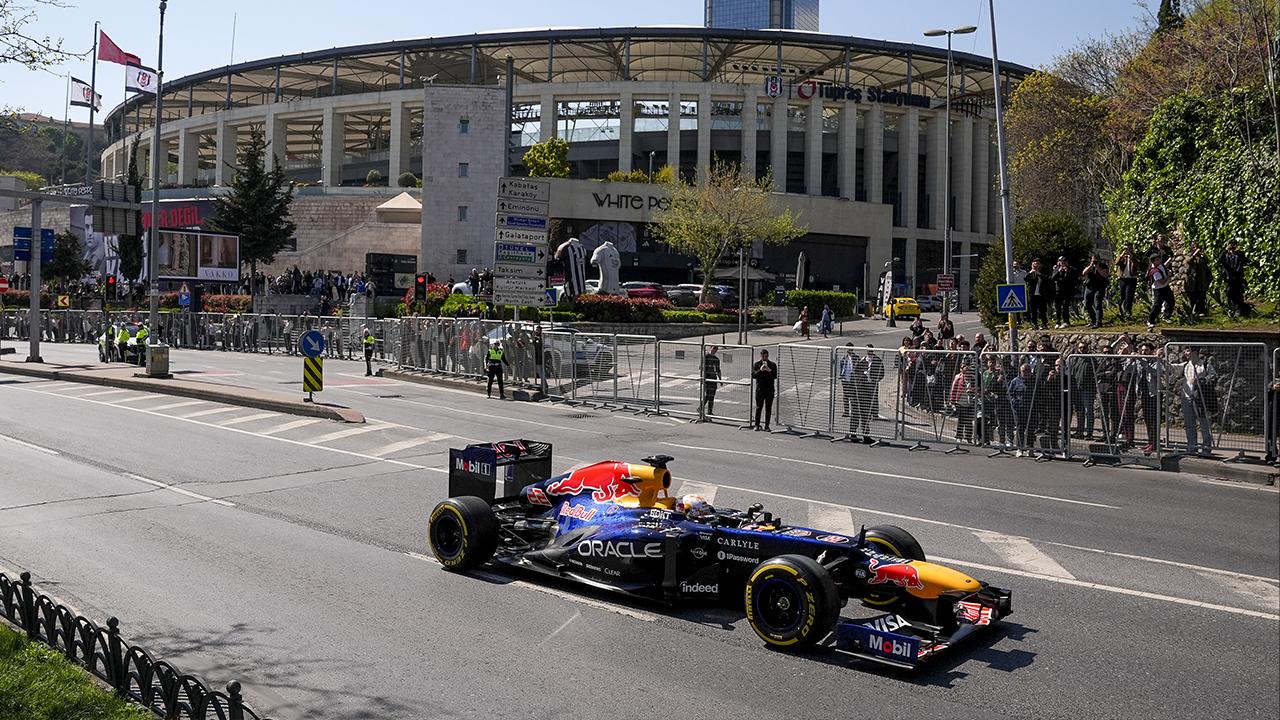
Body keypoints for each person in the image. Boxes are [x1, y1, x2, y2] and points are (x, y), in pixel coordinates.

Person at [1171, 347, 1215, 455]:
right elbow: (1172, 368)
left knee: (1204, 423)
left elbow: (1213, 377)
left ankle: (1206, 448)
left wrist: (1200, 381)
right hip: (1187, 398)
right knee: (1189, 424)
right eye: (1185, 351)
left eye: (1188, 351)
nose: (1185, 353)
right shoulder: (1186, 365)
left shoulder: (1204, 365)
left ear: (1194, 352)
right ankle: (1192, 446)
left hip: (1200, 398)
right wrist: (1161, 359)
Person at [1069, 341, 1096, 439]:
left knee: (1088, 411)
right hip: (1076, 389)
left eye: (1084, 348)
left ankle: (1089, 433)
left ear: (1087, 348)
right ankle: (1079, 431)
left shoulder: (1091, 360)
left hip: (1087, 390)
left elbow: (1095, 374)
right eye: (1080, 348)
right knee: (1079, 411)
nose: (1082, 349)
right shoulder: (1074, 359)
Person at [1218, 240, 1248, 316]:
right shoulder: (1225, 255)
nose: (1232, 247)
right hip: (1228, 278)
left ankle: (1239, 310)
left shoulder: (1239, 254)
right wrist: (1225, 250)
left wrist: (1239, 251)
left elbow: (1245, 261)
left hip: (1237, 277)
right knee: (1229, 294)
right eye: (1230, 245)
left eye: (1233, 245)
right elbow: (1218, 261)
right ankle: (1232, 309)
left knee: (1238, 294)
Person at [1146, 253, 1175, 331]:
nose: (1160, 261)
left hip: (1165, 287)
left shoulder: (1160, 265)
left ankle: (1166, 316)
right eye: (1157, 260)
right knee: (1157, 305)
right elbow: (1162, 282)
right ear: (1153, 262)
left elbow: (1164, 266)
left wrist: (1170, 259)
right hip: (1158, 289)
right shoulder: (1154, 271)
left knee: (1171, 301)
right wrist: (1169, 275)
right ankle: (1150, 320)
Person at [751, 348, 777, 431]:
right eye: (763, 356)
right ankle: (757, 425)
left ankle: (767, 426)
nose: (764, 358)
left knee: (768, 408)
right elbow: (753, 375)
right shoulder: (757, 364)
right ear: (761, 356)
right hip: (760, 389)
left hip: (769, 389)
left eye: (766, 356)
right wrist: (760, 370)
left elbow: (775, 376)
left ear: (768, 356)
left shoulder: (772, 364)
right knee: (759, 407)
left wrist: (769, 370)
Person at [1183, 244, 1211, 318]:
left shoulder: (1201, 257)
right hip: (1192, 281)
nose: (1197, 249)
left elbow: (1208, 262)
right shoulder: (1189, 255)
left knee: (1201, 296)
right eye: (1195, 247)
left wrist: (1203, 255)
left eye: (1198, 247)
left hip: (1201, 280)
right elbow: (1188, 262)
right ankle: (1193, 311)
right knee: (1193, 297)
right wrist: (1194, 254)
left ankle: (1202, 311)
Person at [1081, 253, 1110, 328]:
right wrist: (1091, 265)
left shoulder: (1103, 266)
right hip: (1089, 287)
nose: (1095, 261)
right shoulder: (1090, 265)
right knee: (1087, 304)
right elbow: (1084, 273)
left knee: (1098, 304)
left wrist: (1098, 268)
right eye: (1093, 260)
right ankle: (1093, 320)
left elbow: (1105, 275)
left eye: (1096, 260)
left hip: (1100, 287)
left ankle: (1098, 322)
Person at [1024, 259, 1051, 330]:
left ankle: (1044, 323)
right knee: (1033, 310)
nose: (1036, 266)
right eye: (1034, 264)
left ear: (1040, 265)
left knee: (1042, 310)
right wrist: (1031, 272)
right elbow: (1026, 279)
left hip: (1041, 293)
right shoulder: (1031, 273)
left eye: (1037, 264)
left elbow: (1048, 279)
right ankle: (1034, 324)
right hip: (1033, 294)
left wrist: (1039, 273)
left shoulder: (1043, 272)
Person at [1050, 257, 1075, 328]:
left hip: (1067, 290)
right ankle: (1058, 322)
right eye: (1061, 261)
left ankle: (1066, 321)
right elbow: (1053, 278)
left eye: (1064, 261)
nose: (1062, 263)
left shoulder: (1071, 269)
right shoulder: (1056, 269)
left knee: (1065, 307)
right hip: (1058, 290)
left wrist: (1067, 271)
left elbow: (1072, 279)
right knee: (1057, 307)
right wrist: (1058, 271)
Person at [1115, 248, 1138, 321]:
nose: (1127, 251)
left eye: (1128, 249)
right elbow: (1116, 263)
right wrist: (1121, 255)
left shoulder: (1134, 256)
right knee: (1123, 296)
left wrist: (1131, 256)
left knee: (1129, 296)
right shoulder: (1122, 257)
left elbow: (1137, 264)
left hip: (1131, 278)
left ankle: (1128, 313)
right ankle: (1122, 312)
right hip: (1123, 278)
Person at [700, 345, 722, 417]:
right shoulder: (706, 357)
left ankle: (710, 411)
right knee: (708, 394)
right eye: (713, 349)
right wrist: (702, 377)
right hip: (707, 378)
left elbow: (718, 370)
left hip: (713, 378)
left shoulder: (716, 359)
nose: (714, 351)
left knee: (712, 395)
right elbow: (701, 367)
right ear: (710, 348)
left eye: (715, 350)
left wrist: (720, 379)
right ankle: (701, 407)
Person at [837, 344, 857, 418]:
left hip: (853, 380)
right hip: (845, 379)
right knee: (845, 396)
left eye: (850, 349)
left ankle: (853, 411)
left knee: (852, 396)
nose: (849, 351)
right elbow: (841, 368)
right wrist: (841, 376)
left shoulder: (856, 358)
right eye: (848, 349)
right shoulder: (844, 358)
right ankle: (846, 411)